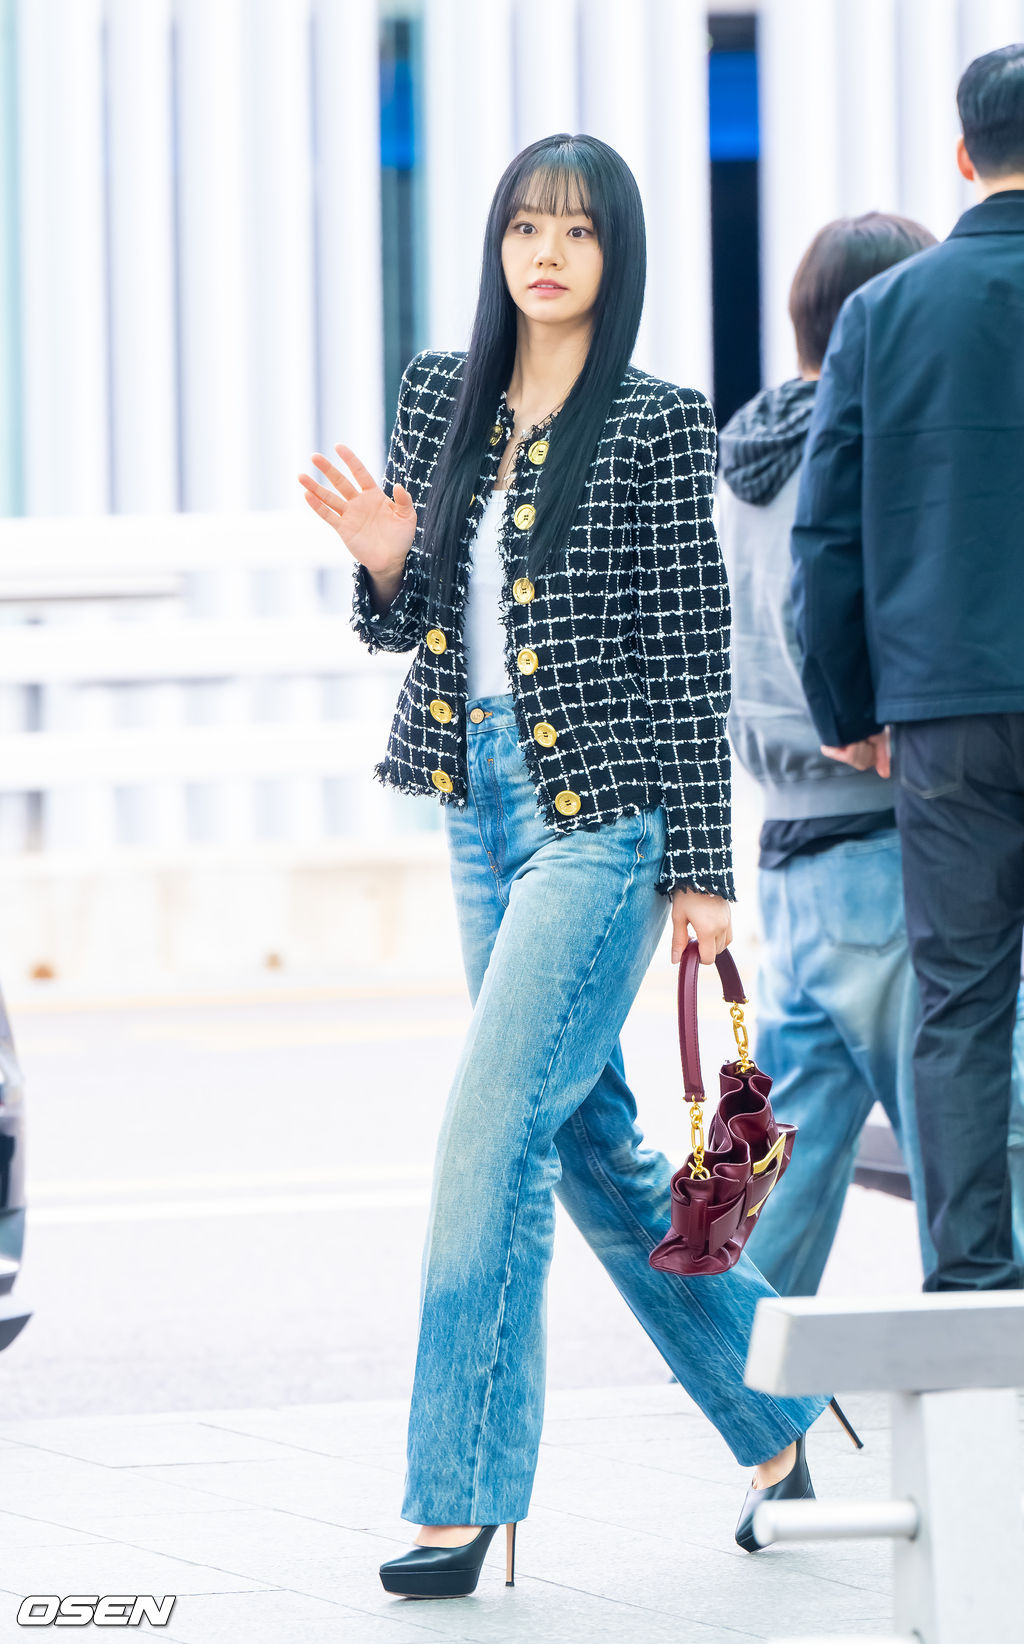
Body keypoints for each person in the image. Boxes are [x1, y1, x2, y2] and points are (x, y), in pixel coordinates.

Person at [299, 133, 842, 1596]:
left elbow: (689, 655)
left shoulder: (659, 423)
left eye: (578, 232)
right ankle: (784, 1412)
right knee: (590, 1140)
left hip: (601, 824)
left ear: (617, 255)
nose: (547, 254)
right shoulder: (440, 393)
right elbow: (408, 626)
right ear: (497, 246)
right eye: (526, 228)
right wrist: (383, 562)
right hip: (472, 801)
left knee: (488, 1136)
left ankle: (461, 1496)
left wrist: (703, 868)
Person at [791, 45, 1024, 1292]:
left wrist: (847, 704)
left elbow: (827, 532)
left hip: (942, 711)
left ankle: (975, 1281)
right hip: (948, 697)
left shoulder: (882, 316)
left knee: (961, 998)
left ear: (962, 156)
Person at [717, 213, 937, 1297]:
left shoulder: (741, 460)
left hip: (788, 849)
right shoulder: (861, 462)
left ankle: (728, 1348)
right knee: (979, 1141)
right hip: (879, 837)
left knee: (779, 1167)